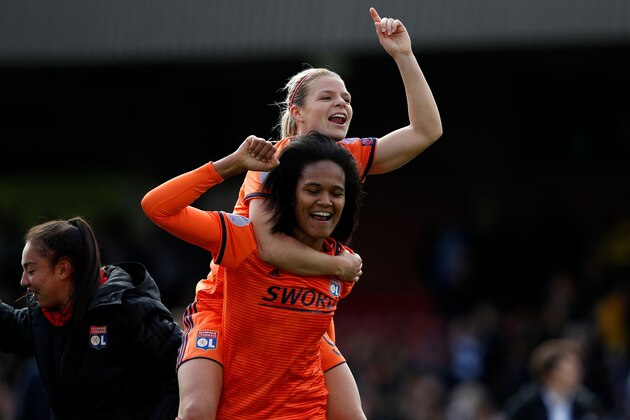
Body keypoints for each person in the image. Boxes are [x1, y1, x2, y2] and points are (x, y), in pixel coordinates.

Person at [159, 6, 443, 420]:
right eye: (327, 96)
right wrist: (339, 267)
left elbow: (426, 132)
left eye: (346, 97)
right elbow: (270, 248)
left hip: (301, 306)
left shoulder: (347, 156)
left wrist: (403, 55)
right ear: (296, 112)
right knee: (198, 411)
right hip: (234, 310)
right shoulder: (272, 164)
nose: (341, 102)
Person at [142, 132, 364, 418]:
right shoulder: (244, 240)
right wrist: (232, 164)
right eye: (312, 190)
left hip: (301, 407)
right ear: (288, 195)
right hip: (237, 402)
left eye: (336, 193)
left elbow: (318, 331)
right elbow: (158, 208)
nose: (326, 201)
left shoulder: (343, 265)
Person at [0, 217, 182, 420]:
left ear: (63, 269)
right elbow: (7, 326)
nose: (23, 281)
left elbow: (181, 370)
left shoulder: (131, 310)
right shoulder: (44, 319)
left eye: (31, 270)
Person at [503, 338, 603, 419]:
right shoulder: (525, 405)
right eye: (571, 368)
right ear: (552, 372)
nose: (579, 372)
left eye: (579, 367)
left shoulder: (587, 404)